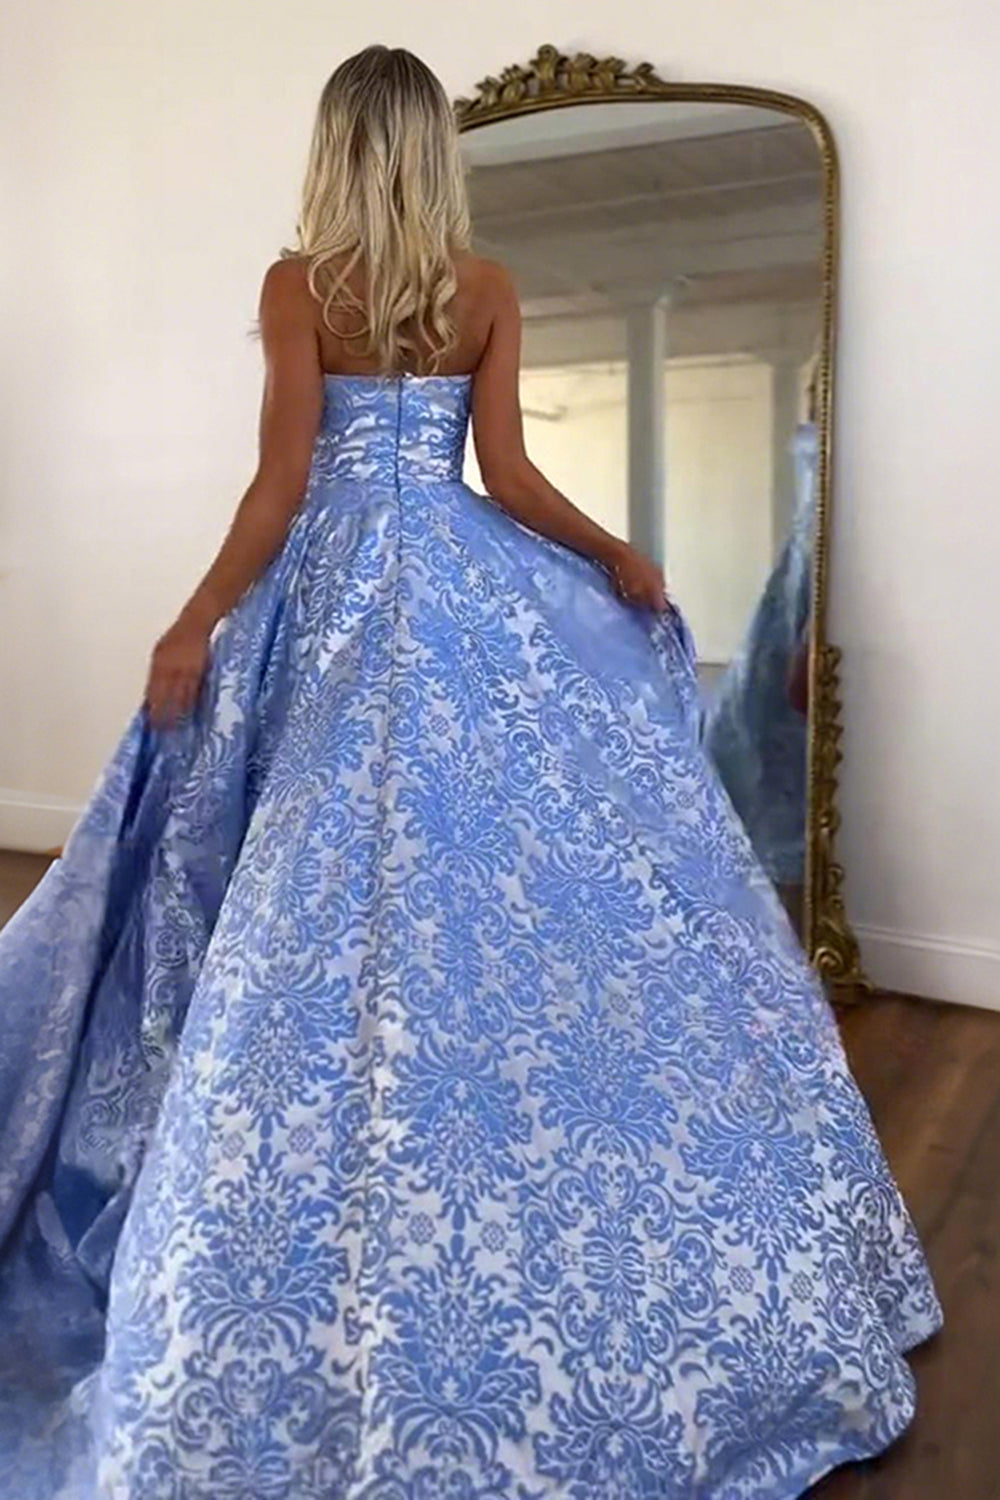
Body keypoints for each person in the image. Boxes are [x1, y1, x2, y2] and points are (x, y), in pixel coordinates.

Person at [0, 45, 940, 1499]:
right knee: (501, 870)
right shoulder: (484, 286)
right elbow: (506, 477)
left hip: (333, 599)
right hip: (455, 588)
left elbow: (282, 488)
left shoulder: (299, 286)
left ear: (337, 149)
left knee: (313, 871)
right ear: (435, 152)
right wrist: (613, 553)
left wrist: (196, 620)